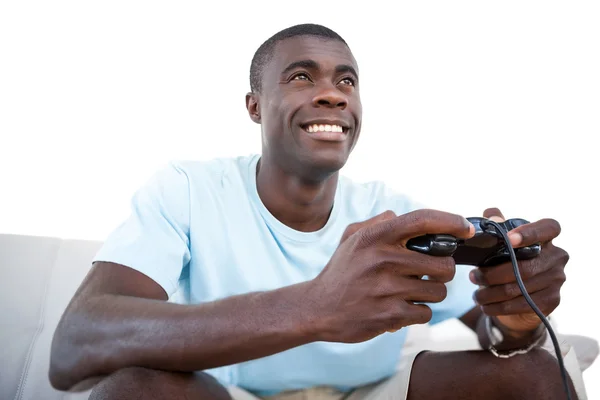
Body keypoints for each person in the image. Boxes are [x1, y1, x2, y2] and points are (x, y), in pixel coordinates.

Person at [49, 23, 581, 400]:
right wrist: (315, 307)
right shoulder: (188, 187)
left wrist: (514, 319)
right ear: (254, 105)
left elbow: (492, 332)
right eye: (302, 77)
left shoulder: (391, 213)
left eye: (346, 81)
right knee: (134, 389)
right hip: (230, 395)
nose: (332, 94)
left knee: (534, 373)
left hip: (372, 394)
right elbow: (77, 344)